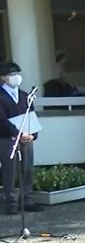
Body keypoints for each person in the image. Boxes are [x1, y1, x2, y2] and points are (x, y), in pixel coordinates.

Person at [0, 62, 40, 215]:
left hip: (26, 138)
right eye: (11, 74)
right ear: (3, 77)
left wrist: (32, 134)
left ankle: (27, 199)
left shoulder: (24, 95)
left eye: (17, 73)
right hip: (6, 138)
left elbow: (31, 116)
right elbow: (1, 119)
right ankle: (11, 202)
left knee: (27, 168)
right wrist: (17, 133)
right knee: (10, 170)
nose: (16, 77)